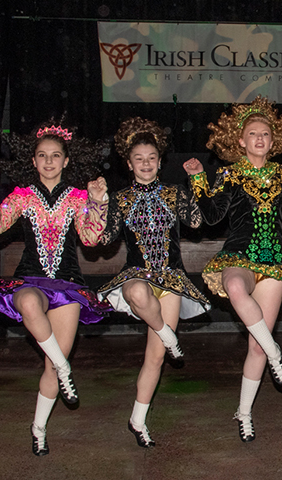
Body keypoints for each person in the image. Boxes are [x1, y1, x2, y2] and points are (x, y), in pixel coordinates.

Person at [183, 96, 282, 442]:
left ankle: (244, 413)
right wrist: (199, 180)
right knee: (236, 289)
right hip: (239, 257)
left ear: (274, 141)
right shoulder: (230, 174)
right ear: (240, 140)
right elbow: (211, 217)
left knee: (255, 347)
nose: (260, 139)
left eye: (265, 135)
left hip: (276, 262)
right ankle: (276, 351)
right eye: (253, 134)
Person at [0, 122, 108, 455]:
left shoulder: (78, 197)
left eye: (55, 156)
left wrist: (97, 203)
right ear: (33, 161)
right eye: (42, 156)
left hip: (68, 284)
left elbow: (91, 239)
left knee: (51, 364)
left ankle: (38, 428)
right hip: (29, 279)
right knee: (30, 306)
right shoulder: (22, 195)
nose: (48, 161)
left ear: (66, 161)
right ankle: (65, 369)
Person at [96, 117, 211, 448]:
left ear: (159, 162)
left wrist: (197, 180)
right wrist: (98, 203)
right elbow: (104, 238)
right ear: (129, 163)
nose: (145, 164)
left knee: (155, 358)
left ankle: (138, 419)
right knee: (135, 291)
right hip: (137, 274)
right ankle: (167, 334)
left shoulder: (174, 194)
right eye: (138, 159)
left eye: (151, 158)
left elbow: (196, 221)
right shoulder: (120, 198)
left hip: (172, 278)